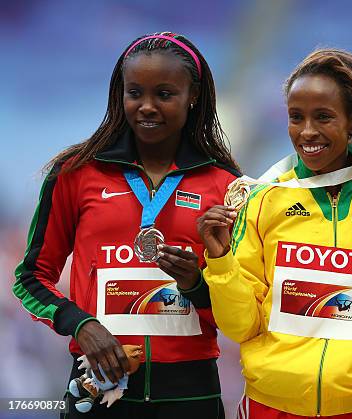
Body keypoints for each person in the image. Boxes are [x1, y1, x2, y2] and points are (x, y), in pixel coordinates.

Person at [13, 32, 239, 418]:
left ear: (193, 95)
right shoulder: (75, 173)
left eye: (164, 94)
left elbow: (240, 311)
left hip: (190, 396)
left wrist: (196, 286)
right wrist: (81, 325)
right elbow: (30, 279)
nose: (147, 107)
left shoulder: (227, 186)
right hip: (96, 389)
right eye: (135, 93)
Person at [199, 49, 352, 418]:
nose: (307, 132)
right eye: (296, 117)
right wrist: (221, 260)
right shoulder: (261, 202)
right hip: (270, 406)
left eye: (323, 117)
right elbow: (240, 327)